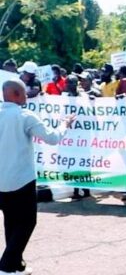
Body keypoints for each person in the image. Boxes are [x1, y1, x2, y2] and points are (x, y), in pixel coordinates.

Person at [0, 79, 74, 274]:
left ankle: (16, 264)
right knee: (26, 222)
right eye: (24, 93)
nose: (27, 96)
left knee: (11, 220)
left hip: (1, 180)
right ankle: (6, 265)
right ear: (16, 94)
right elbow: (52, 138)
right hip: (21, 179)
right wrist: (64, 124)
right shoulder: (25, 115)